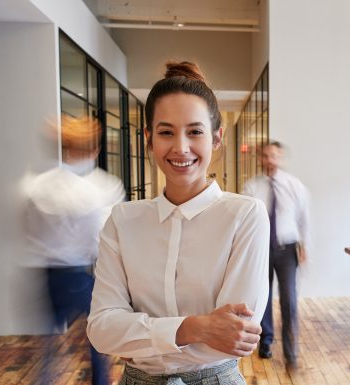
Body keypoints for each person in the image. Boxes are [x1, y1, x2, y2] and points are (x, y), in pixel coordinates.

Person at [87, 62, 270, 384]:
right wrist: (196, 328)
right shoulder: (123, 219)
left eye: (195, 131)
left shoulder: (244, 215)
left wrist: (139, 340)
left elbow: (236, 336)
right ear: (149, 138)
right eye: (166, 132)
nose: (180, 147)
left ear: (216, 138)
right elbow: (102, 330)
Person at [24, 116, 124, 385]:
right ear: (94, 150)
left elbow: (29, 232)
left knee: (47, 348)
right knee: (97, 339)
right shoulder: (98, 189)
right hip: (80, 272)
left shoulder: (36, 186)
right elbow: (101, 237)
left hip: (46, 274)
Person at [242, 141, 310, 370]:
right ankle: (266, 341)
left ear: (279, 158)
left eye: (273, 155)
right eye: (265, 156)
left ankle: (291, 353)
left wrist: (305, 246)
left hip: (287, 248)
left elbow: (304, 218)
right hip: (261, 249)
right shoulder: (252, 187)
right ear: (260, 159)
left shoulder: (294, 185)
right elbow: (245, 220)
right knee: (263, 296)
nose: (269, 160)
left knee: (289, 299)